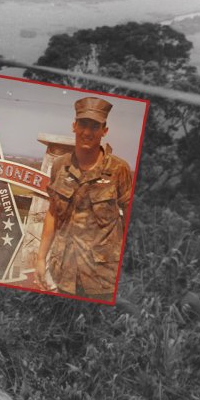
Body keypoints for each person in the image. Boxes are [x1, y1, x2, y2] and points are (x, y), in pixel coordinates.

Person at [35, 97, 133, 302]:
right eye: (83, 124)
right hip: (63, 272)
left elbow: (129, 217)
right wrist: (41, 258)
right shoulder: (60, 166)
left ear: (104, 131)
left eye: (95, 126)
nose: (87, 132)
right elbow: (53, 213)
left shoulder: (118, 170)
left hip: (101, 278)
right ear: (74, 126)